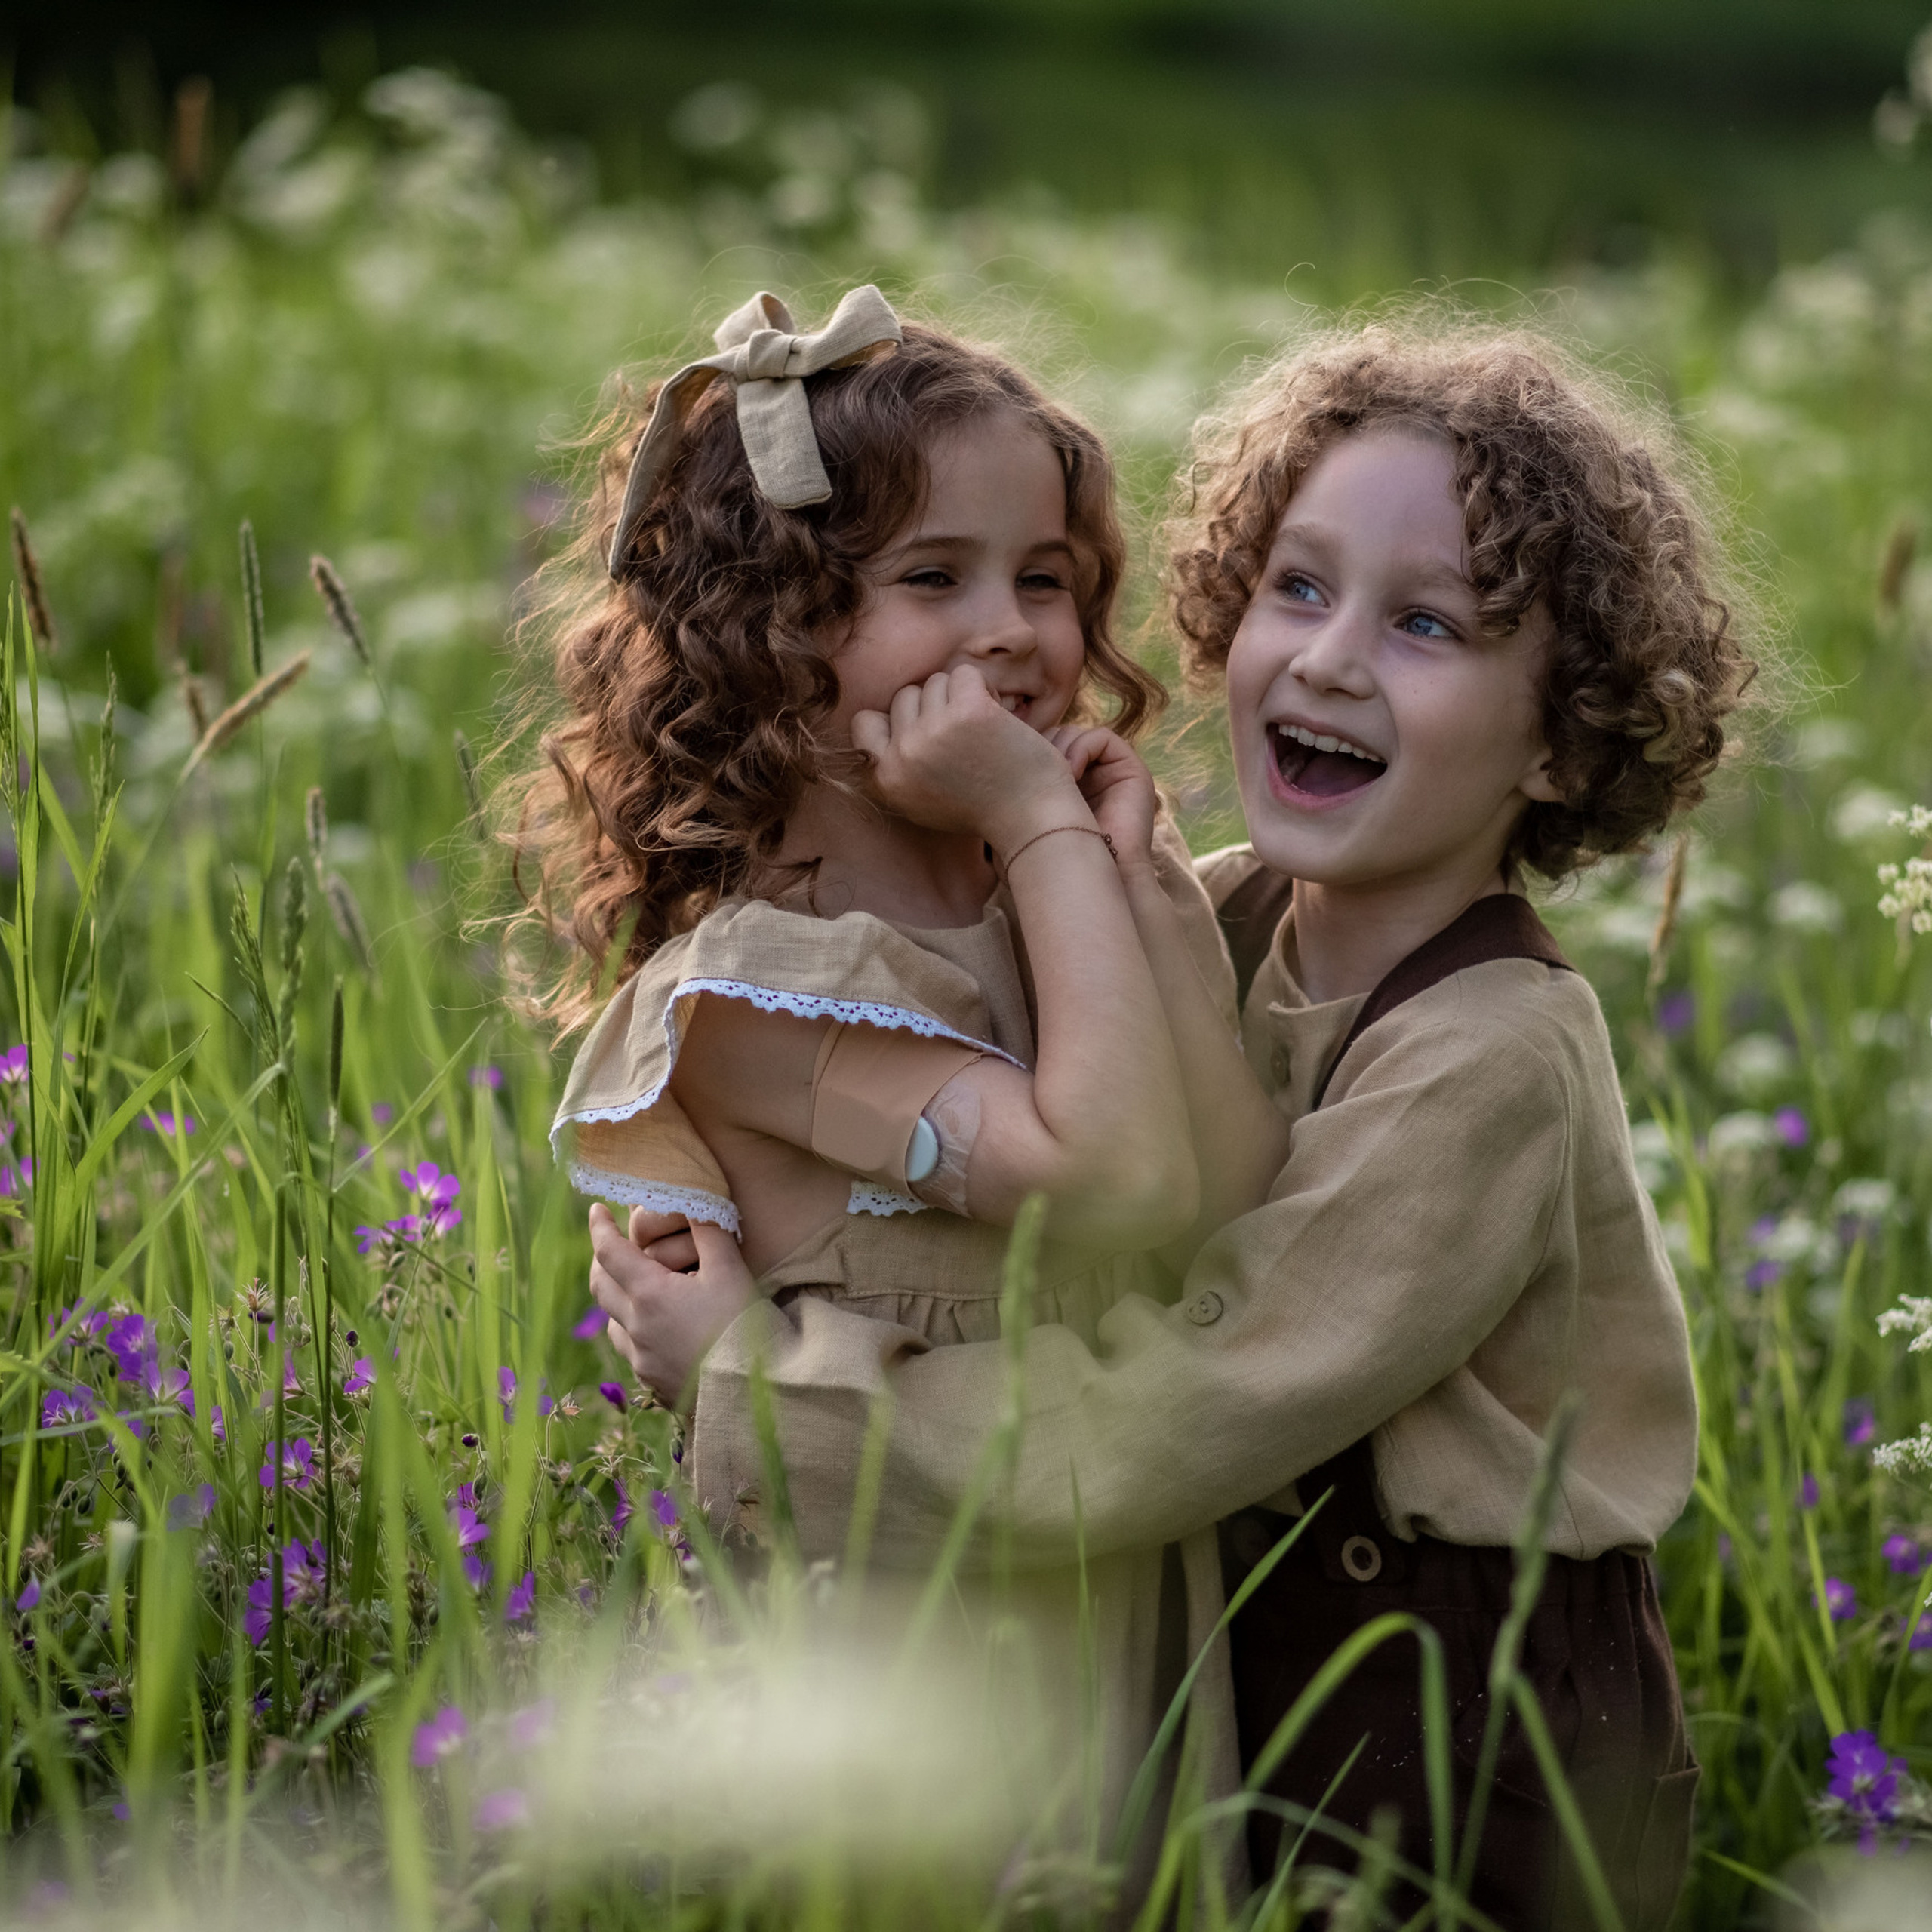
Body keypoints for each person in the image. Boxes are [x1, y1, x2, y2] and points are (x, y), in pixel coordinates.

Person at [590, 317, 1755, 1929]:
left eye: (1423, 622)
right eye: (1297, 585)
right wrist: (1108, 871)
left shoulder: (1493, 1054)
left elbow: (1182, 1386)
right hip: (1240, 1650)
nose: (1331, 656)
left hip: (1452, 1724)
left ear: (1557, 733)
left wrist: (768, 1394)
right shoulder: (1217, 913)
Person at [505, 287, 1284, 1864]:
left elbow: (1214, 1184)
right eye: (932, 577)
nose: (1011, 629)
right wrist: (1047, 828)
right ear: (769, 633)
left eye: (1045, 580)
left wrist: (1128, 886)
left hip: (1100, 1558)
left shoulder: (1025, 899)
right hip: (921, 1622)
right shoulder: (763, 1008)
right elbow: (1105, 1177)